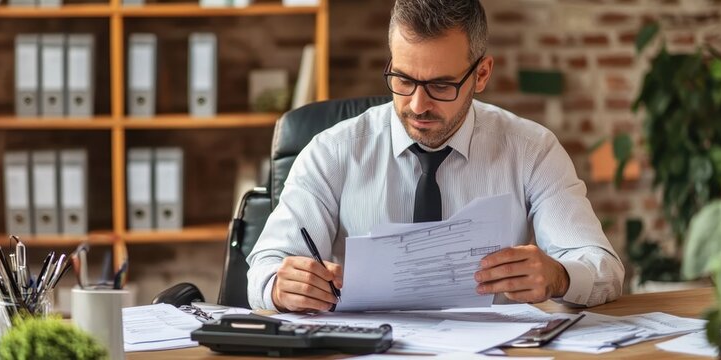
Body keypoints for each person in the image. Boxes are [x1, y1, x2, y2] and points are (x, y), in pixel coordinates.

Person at [247, 0, 625, 313]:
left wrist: (559, 275)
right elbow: (263, 269)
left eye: (441, 85)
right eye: (404, 79)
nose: (417, 104)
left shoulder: (531, 150)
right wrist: (282, 286)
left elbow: (604, 269)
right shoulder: (332, 151)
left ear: (481, 75)